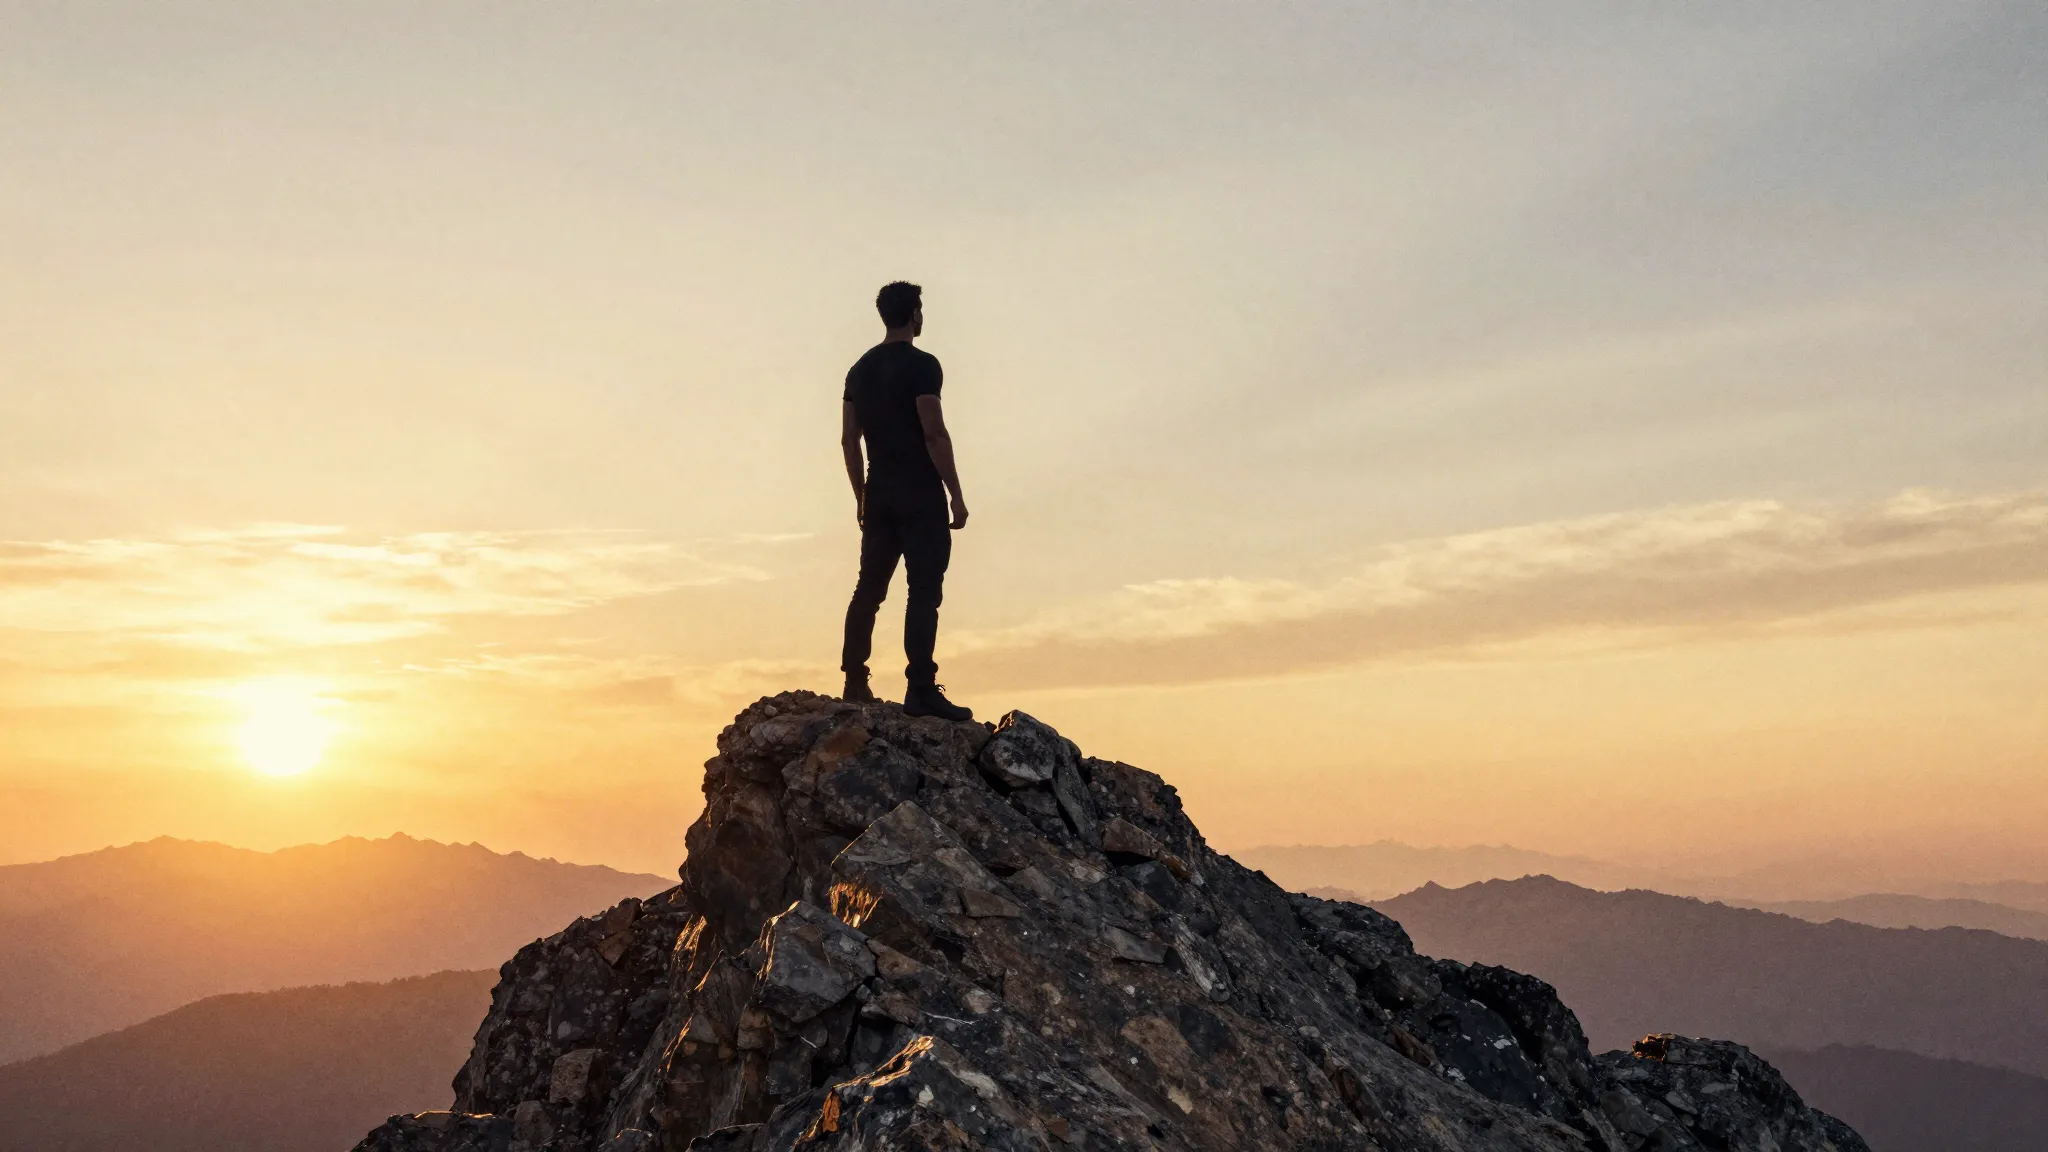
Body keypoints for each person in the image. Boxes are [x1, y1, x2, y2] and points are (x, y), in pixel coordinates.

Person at [838, 281, 973, 720]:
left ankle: (854, 681)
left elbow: (849, 440)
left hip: (879, 493)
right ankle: (921, 689)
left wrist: (861, 496)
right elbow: (933, 432)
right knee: (924, 592)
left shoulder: (858, 370)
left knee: (869, 589)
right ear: (915, 314)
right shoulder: (923, 366)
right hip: (919, 493)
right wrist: (955, 493)